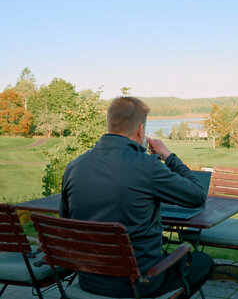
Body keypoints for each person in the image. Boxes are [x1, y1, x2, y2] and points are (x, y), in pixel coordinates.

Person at [60, 96, 213, 298]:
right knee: (203, 262)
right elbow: (197, 196)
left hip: (89, 280)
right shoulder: (147, 166)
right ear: (140, 130)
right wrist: (169, 156)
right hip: (138, 283)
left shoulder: (74, 166)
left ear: (109, 124)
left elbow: (66, 221)